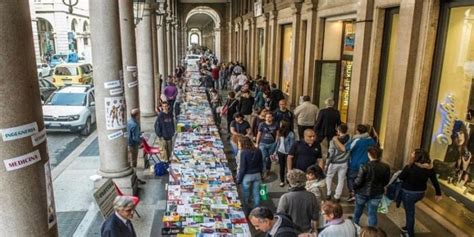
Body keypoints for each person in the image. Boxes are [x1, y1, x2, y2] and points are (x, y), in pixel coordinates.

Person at [398, 149, 442, 237]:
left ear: (417, 157)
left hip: (408, 193)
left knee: (410, 213)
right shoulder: (429, 168)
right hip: (420, 193)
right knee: (410, 209)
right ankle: (407, 227)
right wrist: (438, 193)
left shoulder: (410, 167)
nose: (411, 154)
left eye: (413, 153)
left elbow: (401, 177)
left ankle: (409, 234)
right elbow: (434, 181)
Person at [333, 124, 376, 202]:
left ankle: (353, 194)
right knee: (363, 179)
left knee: (351, 178)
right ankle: (360, 194)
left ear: (357, 131)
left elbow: (344, 149)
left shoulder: (356, 140)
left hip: (355, 164)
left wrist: (336, 140)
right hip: (367, 164)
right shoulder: (371, 140)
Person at [353, 146, 390, 227]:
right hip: (377, 193)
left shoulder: (364, 166)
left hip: (362, 193)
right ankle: (372, 232)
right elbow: (386, 181)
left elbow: (358, 181)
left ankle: (354, 226)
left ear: (369, 154)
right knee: (372, 213)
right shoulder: (386, 167)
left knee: (358, 211)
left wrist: (354, 187)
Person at [277, 169, 319, 233]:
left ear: (290, 181)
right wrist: (315, 231)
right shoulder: (311, 196)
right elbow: (315, 217)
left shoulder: (285, 198)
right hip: (307, 231)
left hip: (291, 232)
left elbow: (280, 218)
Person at [236, 136, 263, 211]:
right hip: (257, 175)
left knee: (246, 194)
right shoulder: (258, 150)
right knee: (256, 194)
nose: (238, 145)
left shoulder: (243, 152)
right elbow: (261, 164)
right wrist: (261, 174)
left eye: (239, 144)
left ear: (243, 144)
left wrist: (239, 180)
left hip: (247, 176)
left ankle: (246, 210)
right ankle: (256, 210)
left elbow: (242, 168)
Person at [326, 123, 350, 202]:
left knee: (329, 177)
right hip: (344, 162)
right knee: (341, 179)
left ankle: (328, 193)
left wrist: (327, 163)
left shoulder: (333, 141)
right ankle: (337, 196)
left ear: (338, 131)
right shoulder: (350, 139)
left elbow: (331, 153)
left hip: (334, 162)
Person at [256, 112, 280, 178]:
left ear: (272, 117)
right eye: (266, 117)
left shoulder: (276, 124)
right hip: (263, 143)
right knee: (264, 158)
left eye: (269, 117)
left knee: (269, 158)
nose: (268, 118)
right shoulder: (262, 124)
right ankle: (263, 171)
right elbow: (259, 134)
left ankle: (268, 169)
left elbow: (277, 134)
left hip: (272, 144)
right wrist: (257, 143)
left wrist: (276, 142)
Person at [126, 109, 145, 185]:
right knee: (133, 162)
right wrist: (141, 141)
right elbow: (135, 138)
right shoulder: (135, 124)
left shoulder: (129, 121)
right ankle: (135, 179)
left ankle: (135, 178)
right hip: (133, 145)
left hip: (128, 144)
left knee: (130, 161)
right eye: (139, 114)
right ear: (137, 115)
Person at [275, 120, 296, 187]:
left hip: (287, 153)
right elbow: (278, 143)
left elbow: (292, 145)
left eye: (281, 124)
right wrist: (275, 151)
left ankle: (288, 180)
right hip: (280, 152)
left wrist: (290, 153)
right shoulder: (280, 132)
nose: (279, 125)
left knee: (288, 168)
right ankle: (282, 181)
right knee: (282, 167)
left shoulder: (291, 134)